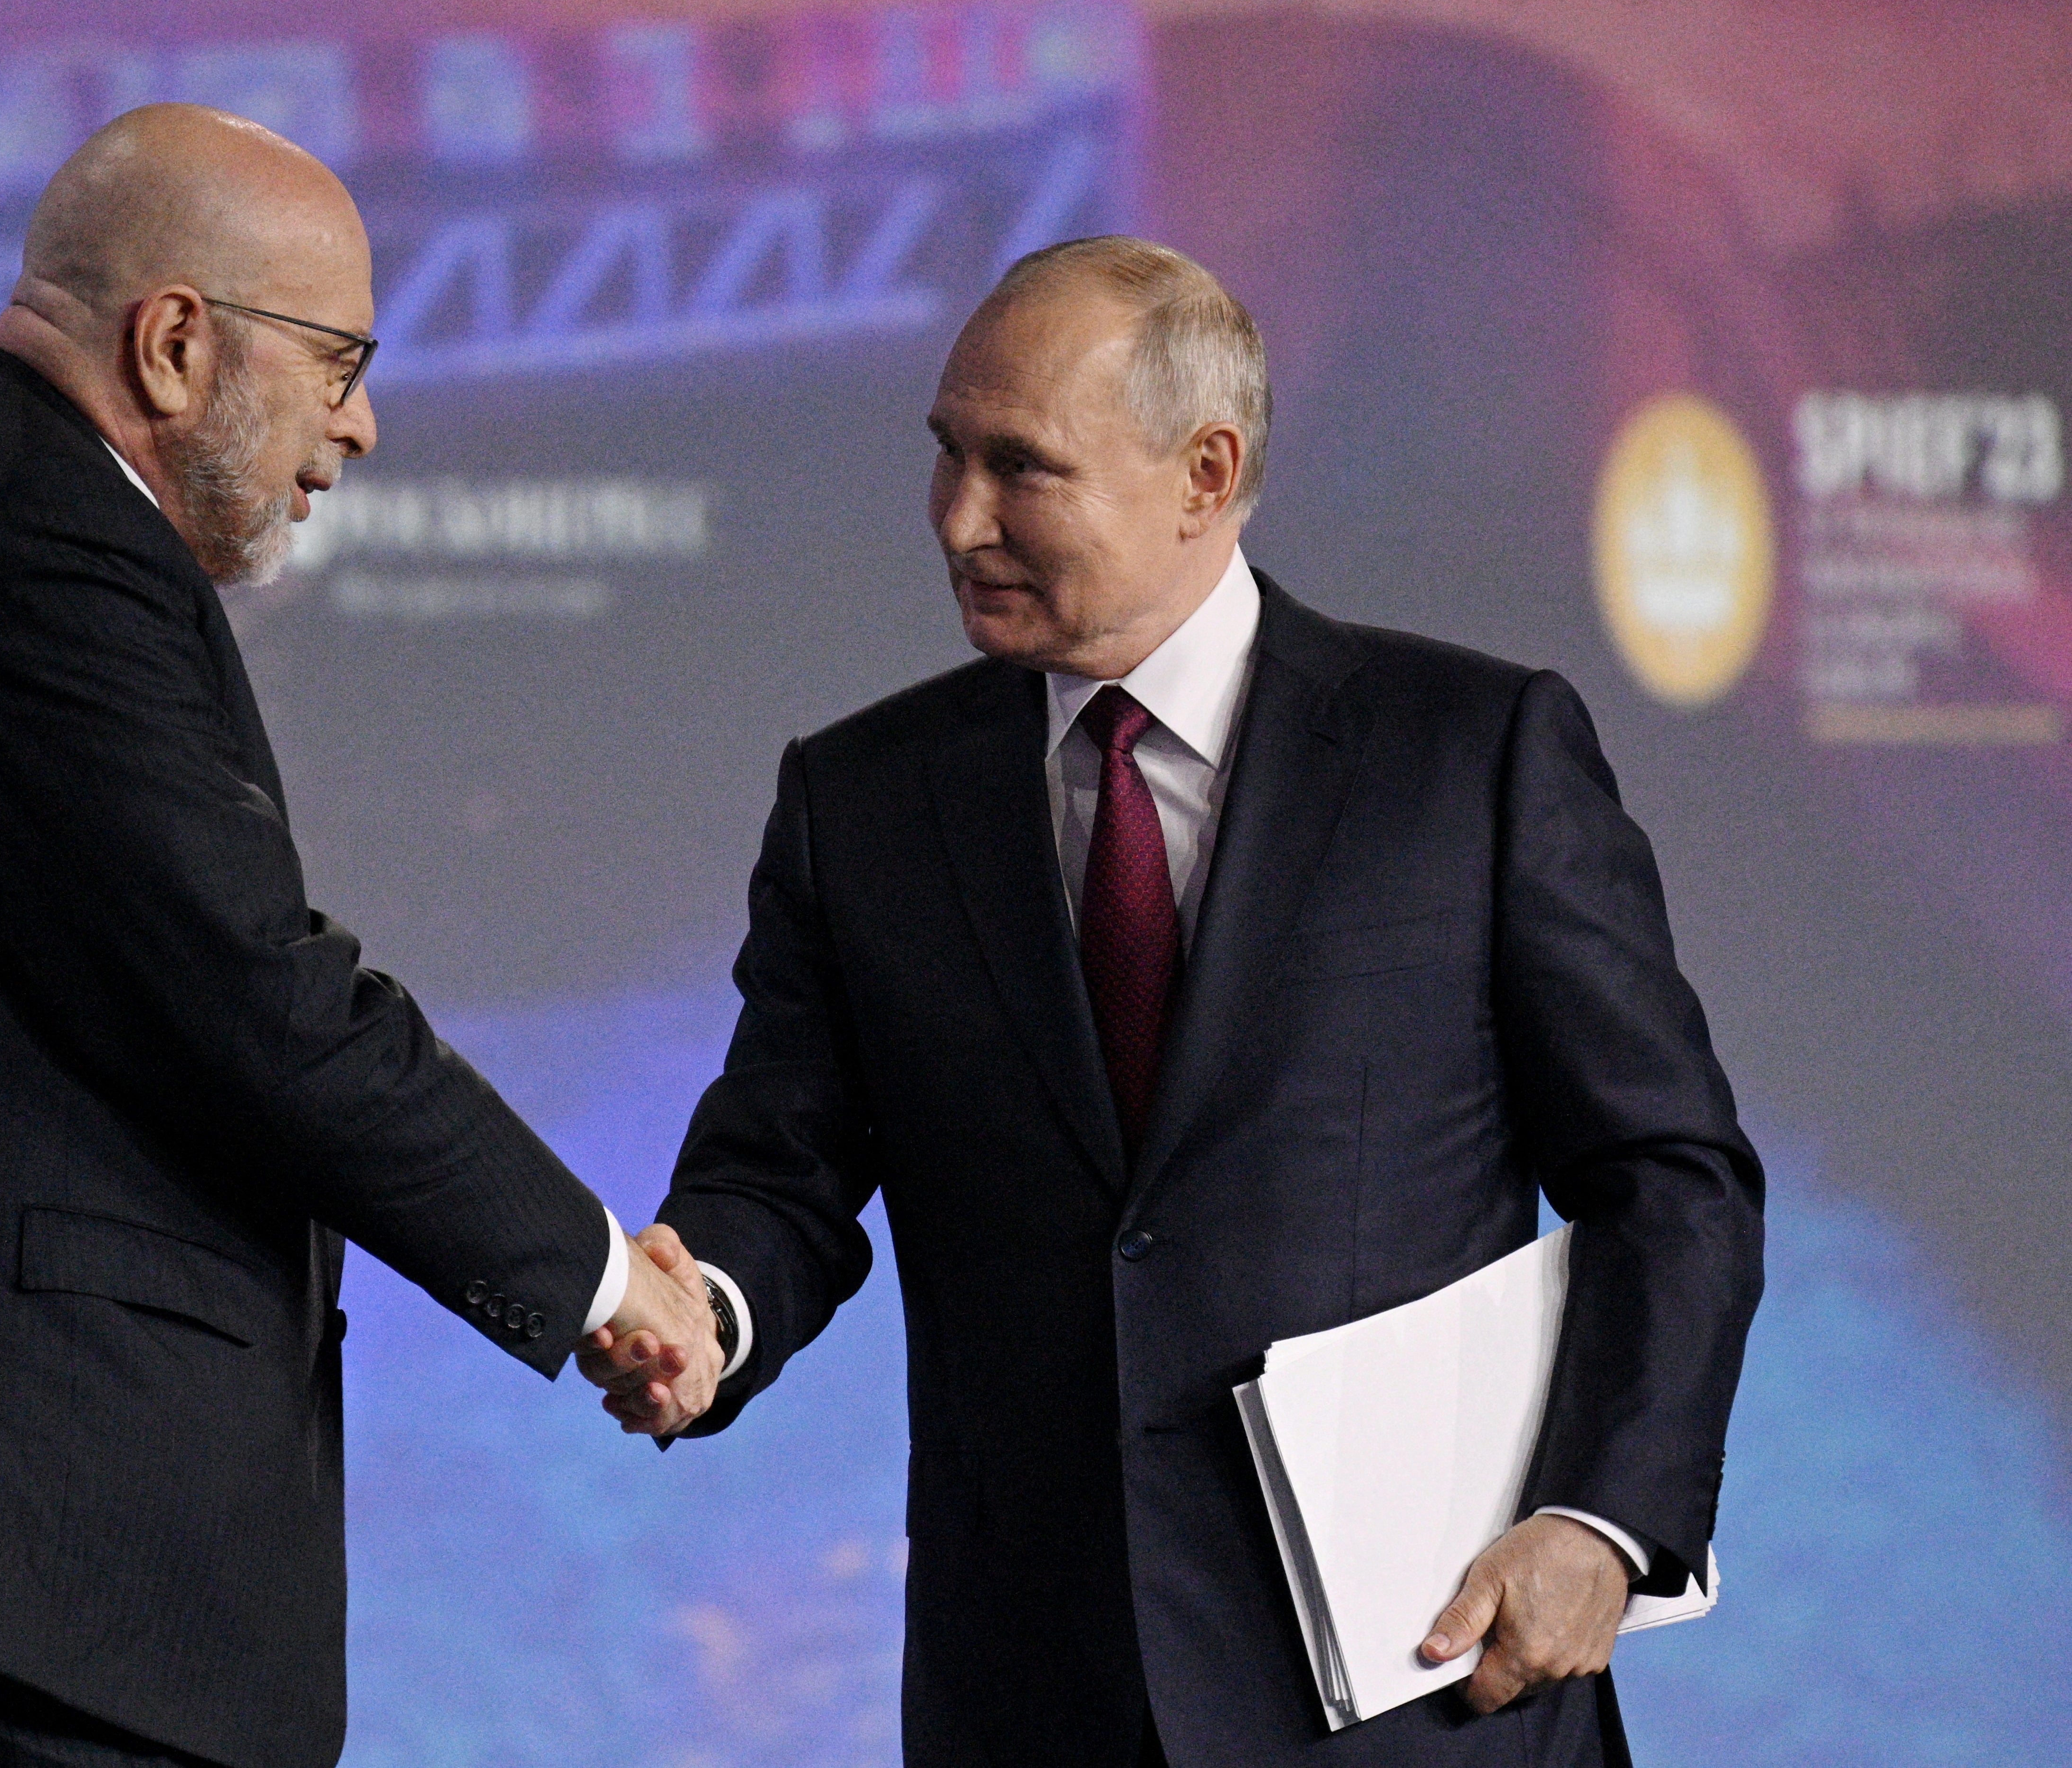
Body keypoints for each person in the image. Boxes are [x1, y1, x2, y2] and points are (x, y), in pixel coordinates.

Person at [0, 104, 717, 1768]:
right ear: (173, 343)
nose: (361, 426)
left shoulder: (2, 511)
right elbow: (251, 990)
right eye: (336, 362)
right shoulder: (30, 541)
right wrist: (602, 1275)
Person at [591, 237, 1764, 1766]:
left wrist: (1602, 1523)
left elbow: (1668, 1175)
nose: (959, 519)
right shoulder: (862, 800)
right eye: (947, 456)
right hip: (1033, 1699)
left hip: (1427, 1702)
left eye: (1022, 469)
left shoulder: (1470, 754)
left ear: (1203, 473)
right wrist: (709, 1314)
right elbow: (780, 1172)